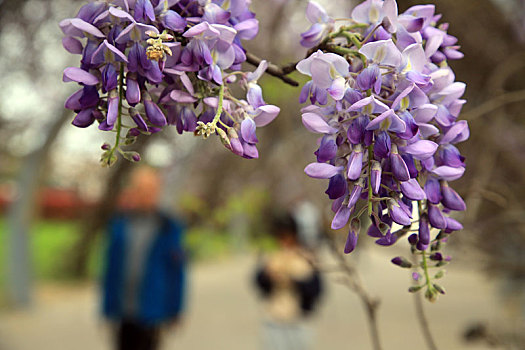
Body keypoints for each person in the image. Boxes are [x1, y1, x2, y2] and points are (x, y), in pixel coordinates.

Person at [101, 167, 186, 350]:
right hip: (123, 310)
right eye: (140, 189)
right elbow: (110, 268)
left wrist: (176, 311)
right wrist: (107, 307)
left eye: (150, 190)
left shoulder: (168, 227)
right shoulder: (120, 224)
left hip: (152, 311)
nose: (146, 195)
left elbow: (177, 272)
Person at [254, 212, 323, 350]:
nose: (283, 240)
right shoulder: (273, 255)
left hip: (299, 318)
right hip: (275, 316)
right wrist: (268, 276)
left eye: (286, 235)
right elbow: (258, 281)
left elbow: (317, 288)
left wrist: (294, 280)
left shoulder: (306, 256)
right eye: (280, 236)